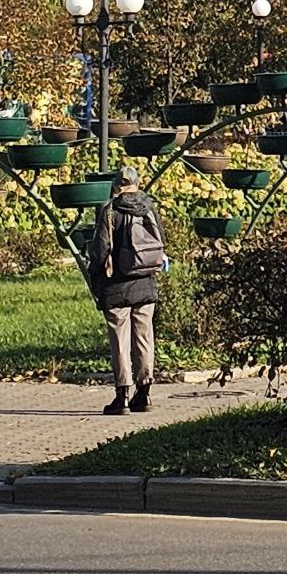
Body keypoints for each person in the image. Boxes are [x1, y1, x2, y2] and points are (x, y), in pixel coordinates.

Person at [88, 165, 166, 414]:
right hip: (145, 282)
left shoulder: (109, 210)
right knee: (144, 337)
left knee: (120, 339)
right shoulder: (149, 207)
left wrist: (95, 275)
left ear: (117, 186)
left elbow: (101, 249)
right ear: (137, 183)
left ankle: (122, 396)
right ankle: (144, 394)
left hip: (117, 285)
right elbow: (160, 240)